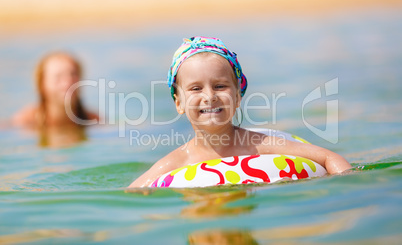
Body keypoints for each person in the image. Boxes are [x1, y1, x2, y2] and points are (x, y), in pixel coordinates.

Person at [129, 36, 351, 188]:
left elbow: (329, 157)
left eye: (220, 86)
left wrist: (347, 187)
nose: (209, 96)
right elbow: (134, 192)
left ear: (237, 97)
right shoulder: (176, 162)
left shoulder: (258, 144)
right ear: (179, 103)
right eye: (196, 88)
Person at [12, 51, 98, 147]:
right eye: (59, 77)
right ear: (42, 85)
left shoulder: (93, 120)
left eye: (73, 74)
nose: (68, 82)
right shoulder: (25, 122)